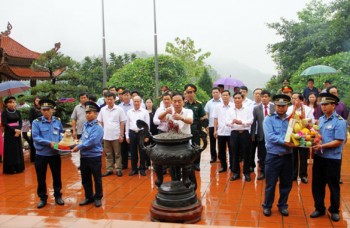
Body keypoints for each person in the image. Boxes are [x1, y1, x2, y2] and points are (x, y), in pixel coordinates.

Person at [310, 93, 347, 222]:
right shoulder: (320, 119)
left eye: (326, 105)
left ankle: (334, 210)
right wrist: (313, 139)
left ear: (333, 105)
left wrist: (322, 146)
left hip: (332, 159)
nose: (323, 107)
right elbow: (317, 135)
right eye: (322, 105)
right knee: (317, 184)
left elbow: (339, 141)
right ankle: (319, 208)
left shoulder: (340, 121)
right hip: (319, 157)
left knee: (333, 185)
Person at [262, 94, 294, 217]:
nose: (281, 108)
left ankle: (282, 205)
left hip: (287, 156)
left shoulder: (291, 119)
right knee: (270, 183)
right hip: (273, 156)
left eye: (283, 106)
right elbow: (270, 137)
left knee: (286, 183)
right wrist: (285, 142)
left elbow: (295, 134)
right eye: (278, 106)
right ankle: (267, 206)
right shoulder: (268, 119)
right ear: (274, 106)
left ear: (287, 106)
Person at [32, 99, 64, 209]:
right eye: (43, 110)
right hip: (41, 154)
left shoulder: (57, 121)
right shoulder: (36, 122)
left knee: (57, 176)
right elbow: (36, 137)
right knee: (41, 177)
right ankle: (42, 198)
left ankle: (58, 196)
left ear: (52, 110)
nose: (45, 112)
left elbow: (60, 133)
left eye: (47, 110)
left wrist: (61, 142)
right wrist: (49, 143)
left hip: (54, 154)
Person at [72, 102, 104, 207]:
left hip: (94, 156)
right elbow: (83, 139)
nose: (87, 115)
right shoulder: (85, 125)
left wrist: (79, 147)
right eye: (86, 113)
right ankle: (88, 196)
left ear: (96, 114)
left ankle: (98, 197)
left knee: (97, 178)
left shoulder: (97, 127)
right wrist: (76, 143)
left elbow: (93, 141)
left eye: (90, 113)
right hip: (84, 156)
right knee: (85, 178)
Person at [287, 93, 314, 184]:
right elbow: (288, 120)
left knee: (303, 156)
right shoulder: (289, 108)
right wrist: (293, 111)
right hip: (293, 135)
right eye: (293, 98)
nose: (294, 100)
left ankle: (303, 175)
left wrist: (304, 118)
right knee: (293, 155)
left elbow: (311, 122)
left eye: (296, 98)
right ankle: (293, 175)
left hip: (303, 135)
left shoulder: (308, 109)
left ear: (302, 100)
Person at [97, 92, 126, 177]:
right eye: (107, 99)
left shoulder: (119, 109)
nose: (109, 101)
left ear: (114, 99)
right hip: (106, 136)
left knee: (117, 153)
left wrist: (121, 135)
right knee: (108, 153)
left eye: (111, 99)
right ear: (105, 99)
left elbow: (122, 122)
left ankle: (118, 169)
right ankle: (109, 169)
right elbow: (100, 121)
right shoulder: (102, 110)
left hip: (116, 135)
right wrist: (103, 132)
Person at [227, 92, 253, 182]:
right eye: (235, 98)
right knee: (234, 153)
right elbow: (226, 122)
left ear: (242, 99)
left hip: (245, 133)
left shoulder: (248, 109)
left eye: (239, 98)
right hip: (234, 133)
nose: (237, 100)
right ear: (233, 99)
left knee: (246, 154)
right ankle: (236, 173)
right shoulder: (230, 110)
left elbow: (251, 120)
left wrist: (241, 122)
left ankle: (246, 173)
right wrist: (232, 122)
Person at [251, 90, 275, 180]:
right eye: (262, 96)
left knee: (272, 155)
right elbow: (254, 123)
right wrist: (253, 134)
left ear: (269, 97)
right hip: (261, 135)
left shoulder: (274, 107)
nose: (264, 98)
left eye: (266, 96)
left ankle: (272, 173)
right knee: (261, 155)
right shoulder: (256, 108)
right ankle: (263, 172)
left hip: (272, 135)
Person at [183, 84, 206, 171]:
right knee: (186, 146)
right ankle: (187, 162)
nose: (189, 94)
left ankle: (196, 163)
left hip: (195, 128)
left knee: (196, 146)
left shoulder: (199, 105)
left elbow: (203, 117)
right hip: (185, 128)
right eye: (187, 92)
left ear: (194, 93)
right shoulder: (183, 104)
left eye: (191, 92)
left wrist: (202, 128)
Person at [125, 96, 150, 176]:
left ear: (140, 102)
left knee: (142, 151)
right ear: (132, 102)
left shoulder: (144, 112)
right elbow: (127, 124)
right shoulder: (129, 112)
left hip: (142, 133)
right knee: (133, 152)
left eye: (138, 101)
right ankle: (134, 169)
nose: (136, 103)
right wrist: (127, 136)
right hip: (132, 133)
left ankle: (142, 168)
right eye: (135, 101)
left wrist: (147, 135)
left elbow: (147, 124)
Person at [1, 96, 24, 174]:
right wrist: (14, 130)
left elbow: (20, 122)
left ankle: (18, 167)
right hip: (9, 133)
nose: (12, 104)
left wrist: (19, 130)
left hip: (17, 132)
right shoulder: (4, 112)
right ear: (6, 104)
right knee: (10, 150)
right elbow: (4, 123)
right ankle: (11, 168)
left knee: (18, 149)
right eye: (10, 102)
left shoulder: (17, 112)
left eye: (13, 102)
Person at [213, 90, 233, 173]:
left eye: (226, 95)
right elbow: (215, 119)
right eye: (223, 95)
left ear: (229, 96)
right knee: (221, 151)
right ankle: (223, 166)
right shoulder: (217, 107)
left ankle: (232, 166)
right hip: (221, 132)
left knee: (232, 150)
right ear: (221, 96)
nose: (225, 96)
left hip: (231, 132)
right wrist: (215, 130)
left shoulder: (233, 106)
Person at [204, 87, 222, 163]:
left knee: (221, 142)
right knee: (212, 142)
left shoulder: (223, 102)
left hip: (221, 125)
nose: (215, 94)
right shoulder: (209, 103)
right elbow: (207, 114)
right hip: (211, 125)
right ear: (212, 93)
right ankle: (213, 157)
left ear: (219, 92)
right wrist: (206, 124)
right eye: (213, 92)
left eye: (216, 92)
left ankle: (221, 157)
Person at [118, 89, 134, 169]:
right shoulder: (119, 106)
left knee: (132, 147)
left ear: (130, 96)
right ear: (122, 97)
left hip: (132, 128)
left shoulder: (134, 104)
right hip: (123, 128)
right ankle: (124, 164)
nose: (126, 96)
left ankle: (134, 165)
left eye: (128, 95)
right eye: (124, 95)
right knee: (123, 147)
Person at [249, 88, 262, 172]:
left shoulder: (265, 106)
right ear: (253, 95)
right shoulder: (249, 105)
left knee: (261, 150)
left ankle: (261, 164)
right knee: (251, 150)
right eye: (256, 93)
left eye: (259, 93)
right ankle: (251, 165)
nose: (257, 95)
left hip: (262, 132)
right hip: (252, 131)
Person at [29, 96, 42, 162]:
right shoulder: (32, 109)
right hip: (35, 128)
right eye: (36, 100)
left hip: (43, 128)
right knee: (34, 143)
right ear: (34, 101)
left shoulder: (43, 108)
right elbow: (31, 119)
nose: (38, 102)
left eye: (39, 100)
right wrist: (33, 126)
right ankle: (34, 158)